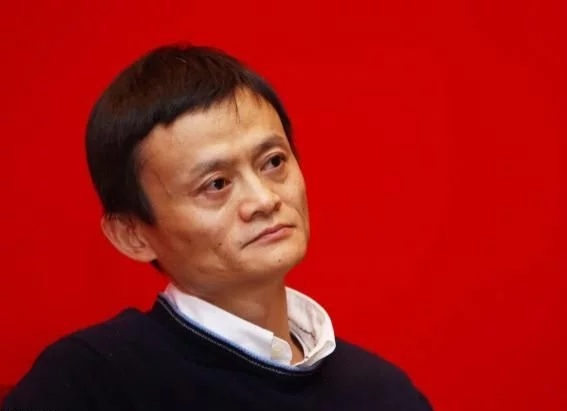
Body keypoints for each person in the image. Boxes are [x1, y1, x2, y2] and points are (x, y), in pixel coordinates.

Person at [2, 44, 432, 411]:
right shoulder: (86, 385)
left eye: (274, 162)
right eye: (217, 184)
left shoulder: (382, 392)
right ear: (132, 234)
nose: (264, 199)